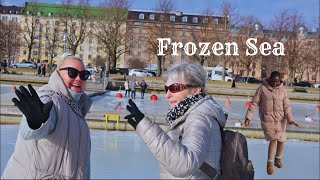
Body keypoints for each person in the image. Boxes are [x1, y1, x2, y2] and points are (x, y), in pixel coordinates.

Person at [124, 62, 227, 179]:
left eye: (174, 88)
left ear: (196, 90)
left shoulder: (199, 118)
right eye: (166, 89)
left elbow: (185, 164)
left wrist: (147, 129)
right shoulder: (187, 115)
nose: (167, 95)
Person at [2, 54, 92, 179]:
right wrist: (35, 124)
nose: (78, 78)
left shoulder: (76, 105)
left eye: (84, 75)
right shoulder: (49, 98)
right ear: (58, 73)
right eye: (72, 72)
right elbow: (29, 132)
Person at [244, 71, 299, 175]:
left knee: (282, 140)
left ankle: (277, 159)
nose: (275, 84)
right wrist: (248, 117)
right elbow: (254, 103)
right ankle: (269, 164)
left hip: (280, 119)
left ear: (280, 81)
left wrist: (290, 119)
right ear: (270, 79)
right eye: (273, 81)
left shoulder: (282, 90)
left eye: (277, 82)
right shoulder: (262, 89)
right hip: (267, 119)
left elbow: (287, 106)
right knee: (274, 139)